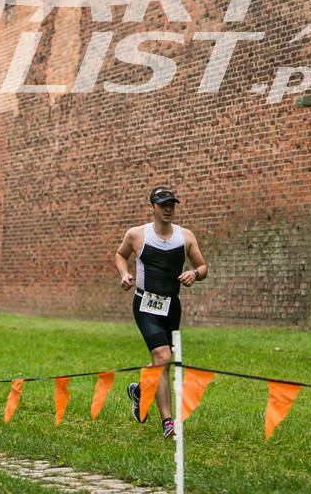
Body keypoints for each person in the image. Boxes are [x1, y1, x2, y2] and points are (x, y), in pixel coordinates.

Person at [115, 186, 207, 438]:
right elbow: (120, 255)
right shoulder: (136, 234)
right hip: (145, 304)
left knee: (163, 362)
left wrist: (194, 273)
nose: (168, 209)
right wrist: (124, 274)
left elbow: (202, 266)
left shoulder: (185, 237)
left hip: (171, 306)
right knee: (162, 355)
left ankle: (141, 391)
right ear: (152, 207)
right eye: (163, 204)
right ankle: (168, 422)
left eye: (172, 205)